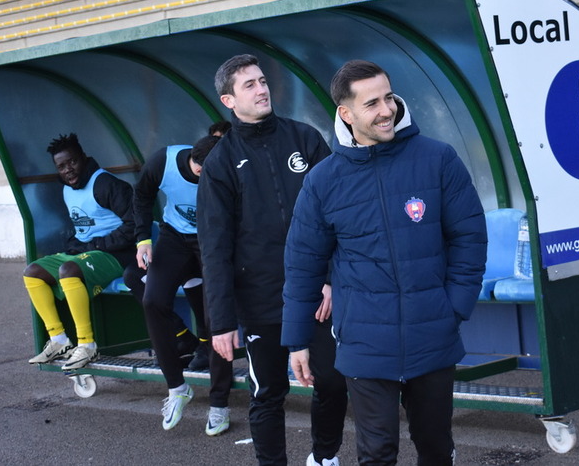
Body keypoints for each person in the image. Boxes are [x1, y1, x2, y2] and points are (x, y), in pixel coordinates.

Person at [283, 59, 488, 465]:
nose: (386, 110)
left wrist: (454, 308)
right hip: (365, 341)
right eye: (372, 103)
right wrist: (297, 341)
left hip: (432, 332)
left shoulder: (437, 158)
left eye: (388, 97)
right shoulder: (324, 180)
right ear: (346, 113)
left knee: (435, 447)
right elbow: (303, 264)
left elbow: (469, 237)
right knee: (376, 452)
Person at [197, 54, 347, 466]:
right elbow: (214, 247)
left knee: (332, 382)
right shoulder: (220, 162)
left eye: (262, 81)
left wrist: (331, 277)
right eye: (249, 85)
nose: (262, 89)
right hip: (261, 298)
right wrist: (222, 322)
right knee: (268, 392)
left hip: (315, 292)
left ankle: (324, 457)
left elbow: (336, 215)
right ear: (229, 100)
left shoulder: (305, 139)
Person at [134, 136, 235, 435]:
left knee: (215, 318)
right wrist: (143, 239)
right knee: (152, 301)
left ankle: (219, 404)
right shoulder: (163, 162)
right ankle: (177, 388)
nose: (207, 177)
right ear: (194, 161)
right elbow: (141, 196)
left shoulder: (226, 171)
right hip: (175, 236)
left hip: (212, 241)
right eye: (203, 172)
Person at [23, 133, 135, 371]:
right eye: (61, 166)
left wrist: (95, 246)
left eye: (72, 162)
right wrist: (77, 244)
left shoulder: (107, 184)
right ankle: (59, 339)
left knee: (69, 269)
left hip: (117, 254)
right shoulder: (67, 189)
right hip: (88, 252)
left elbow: (134, 226)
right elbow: (83, 227)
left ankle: (87, 344)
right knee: (33, 271)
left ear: (83, 158)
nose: (68, 170)